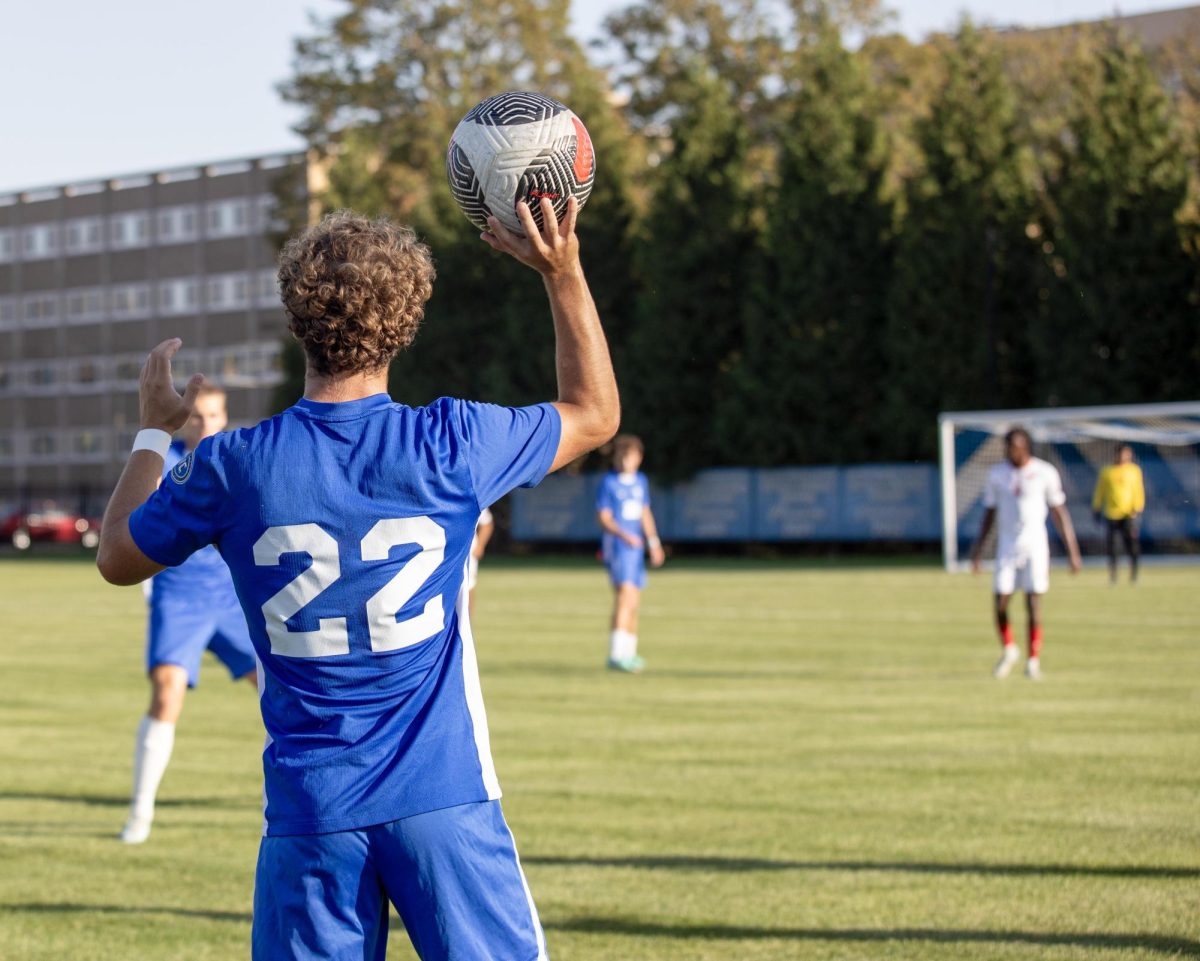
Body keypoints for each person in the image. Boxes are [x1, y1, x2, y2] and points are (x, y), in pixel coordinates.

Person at [97, 197, 618, 961]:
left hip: (311, 814)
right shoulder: (454, 440)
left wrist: (152, 427)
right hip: (443, 799)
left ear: (296, 317)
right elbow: (594, 413)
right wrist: (562, 270)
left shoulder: (233, 463)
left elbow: (116, 555)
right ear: (407, 323)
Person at [120, 382, 257, 845]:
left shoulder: (239, 460)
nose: (206, 425)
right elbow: (136, 524)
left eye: (215, 416)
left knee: (285, 692)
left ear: (225, 418)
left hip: (233, 597)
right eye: (198, 417)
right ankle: (140, 813)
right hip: (179, 596)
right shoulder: (164, 464)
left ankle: (290, 802)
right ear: (185, 418)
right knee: (166, 694)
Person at [970, 427, 1082, 681]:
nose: (1008, 452)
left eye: (1013, 447)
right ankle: (1010, 649)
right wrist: (978, 551)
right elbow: (989, 514)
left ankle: (1033, 660)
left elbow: (1059, 512)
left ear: (1024, 447)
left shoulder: (1044, 472)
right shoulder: (997, 474)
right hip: (1007, 547)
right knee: (1000, 602)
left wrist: (1073, 551)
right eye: (1006, 447)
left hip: (1035, 546)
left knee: (1033, 602)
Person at [595, 434, 665, 673]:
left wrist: (654, 542)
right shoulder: (609, 483)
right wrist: (624, 535)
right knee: (624, 597)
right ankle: (616, 655)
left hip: (636, 550)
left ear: (639, 459)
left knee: (634, 601)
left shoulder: (640, 482)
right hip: (618, 548)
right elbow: (604, 517)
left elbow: (645, 513)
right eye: (622, 456)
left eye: (631, 457)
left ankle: (630, 653)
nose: (626, 461)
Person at [1092, 443, 1145, 584]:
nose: (1125, 457)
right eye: (1123, 453)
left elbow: (1138, 491)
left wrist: (1137, 509)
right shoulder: (1107, 471)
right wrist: (1096, 508)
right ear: (1116, 454)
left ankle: (1134, 574)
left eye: (1128, 454)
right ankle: (1113, 575)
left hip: (1130, 514)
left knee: (1132, 545)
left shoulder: (1134, 470)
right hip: (1112, 514)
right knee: (1113, 547)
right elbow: (1100, 491)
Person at [467, 507, 494, 618]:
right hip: (440, 551)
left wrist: (480, 546)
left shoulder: (471, 494)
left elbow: (487, 523)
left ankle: (465, 624)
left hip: (467, 552)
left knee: (468, 587)